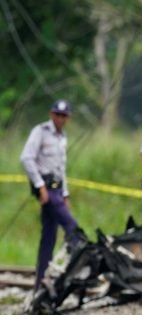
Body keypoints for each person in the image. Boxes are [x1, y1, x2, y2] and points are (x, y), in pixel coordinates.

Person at [21, 99, 82, 289]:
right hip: (46, 189)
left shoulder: (62, 137)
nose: (60, 119)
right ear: (51, 114)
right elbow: (26, 158)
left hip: (57, 189)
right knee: (73, 227)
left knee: (49, 236)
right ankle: (77, 267)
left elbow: (61, 168)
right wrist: (40, 186)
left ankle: (40, 283)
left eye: (64, 116)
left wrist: (65, 193)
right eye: (57, 115)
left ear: (68, 118)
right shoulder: (40, 132)